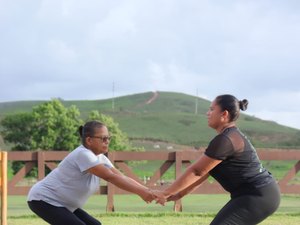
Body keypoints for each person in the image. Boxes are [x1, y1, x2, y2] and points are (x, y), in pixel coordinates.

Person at [155, 94, 281, 225]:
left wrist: (165, 193)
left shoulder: (226, 140)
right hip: (256, 194)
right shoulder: (227, 138)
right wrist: (178, 194)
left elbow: (197, 171)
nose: (207, 113)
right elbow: (204, 173)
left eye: (211, 109)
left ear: (224, 114)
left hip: (258, 195)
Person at [27, 120, 155, 225]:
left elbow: (120, 177)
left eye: (108, 138)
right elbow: (110, 177)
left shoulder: (100, 158)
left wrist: (148, 191)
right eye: (103, 138)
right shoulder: (83, 154)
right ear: (89, 140)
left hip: (64, 203)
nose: (107, 141)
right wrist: (142, 193)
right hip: (44, 200)